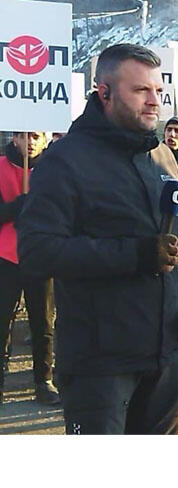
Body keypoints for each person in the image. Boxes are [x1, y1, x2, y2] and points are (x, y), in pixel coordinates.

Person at [16, 43, 178, 434]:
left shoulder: (163, 155)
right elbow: (37, 251)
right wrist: (135, 255)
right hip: (100, 365)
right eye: (141, 91)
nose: (154, 101)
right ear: (103, 92)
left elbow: (176, 236)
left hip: (166, 356)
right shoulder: (65, 161)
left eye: (158, 91)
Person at [0, 131, 59, 406]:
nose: (31, 141)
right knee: (2, 321)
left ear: (46, 140)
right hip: (5, 255)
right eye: (25, 136)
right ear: (15, 140)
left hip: (40, 255)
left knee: (43, 321)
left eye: (36, 136)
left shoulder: (55, 169)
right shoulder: (0, 166)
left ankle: (43, 380)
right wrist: (15, 208)